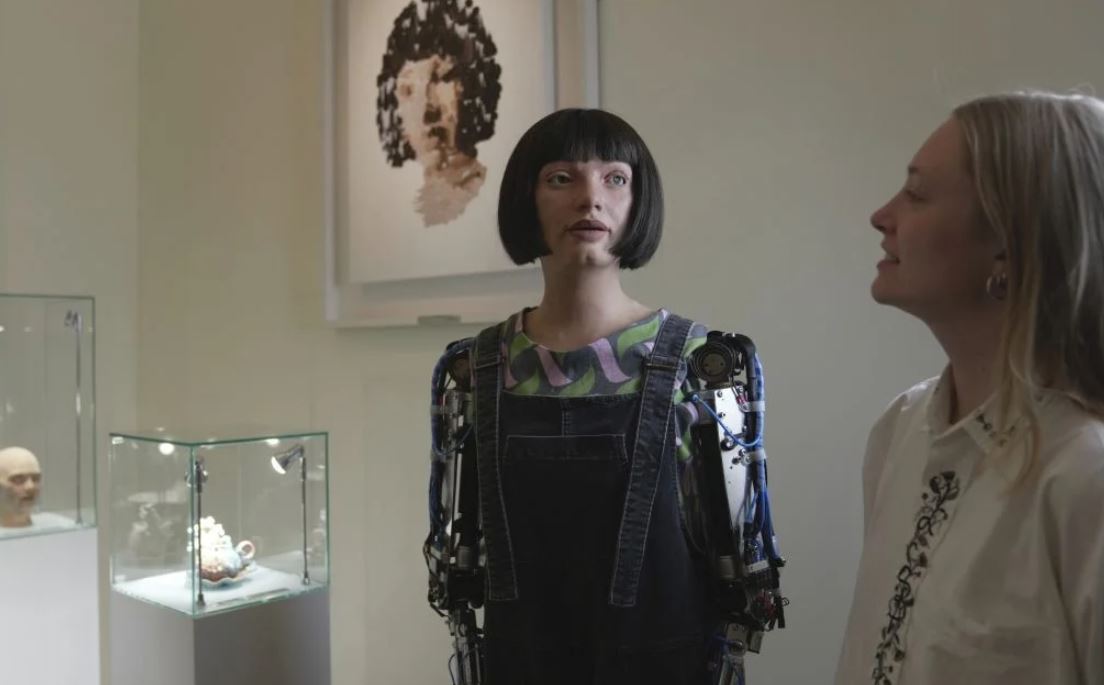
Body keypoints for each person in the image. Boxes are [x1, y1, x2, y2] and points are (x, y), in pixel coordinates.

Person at [427, 108, 782, 683]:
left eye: (615, 178)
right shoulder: (476, 370)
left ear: (639, 201)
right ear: (525, 198)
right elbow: (459, 560)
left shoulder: (702, 367)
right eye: (561, 178)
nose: (590, 198)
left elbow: (741, 564)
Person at [835, 92, 1104, 685]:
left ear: (1009, 239)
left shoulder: (1085, 474)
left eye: (917, 194)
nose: (881, 215)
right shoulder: (901, 429)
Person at [376, 0, 502, 226]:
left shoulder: (487, 193)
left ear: (472, 83)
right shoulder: (400, 214)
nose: (427, 111)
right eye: (408, 90)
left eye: (442, 79)